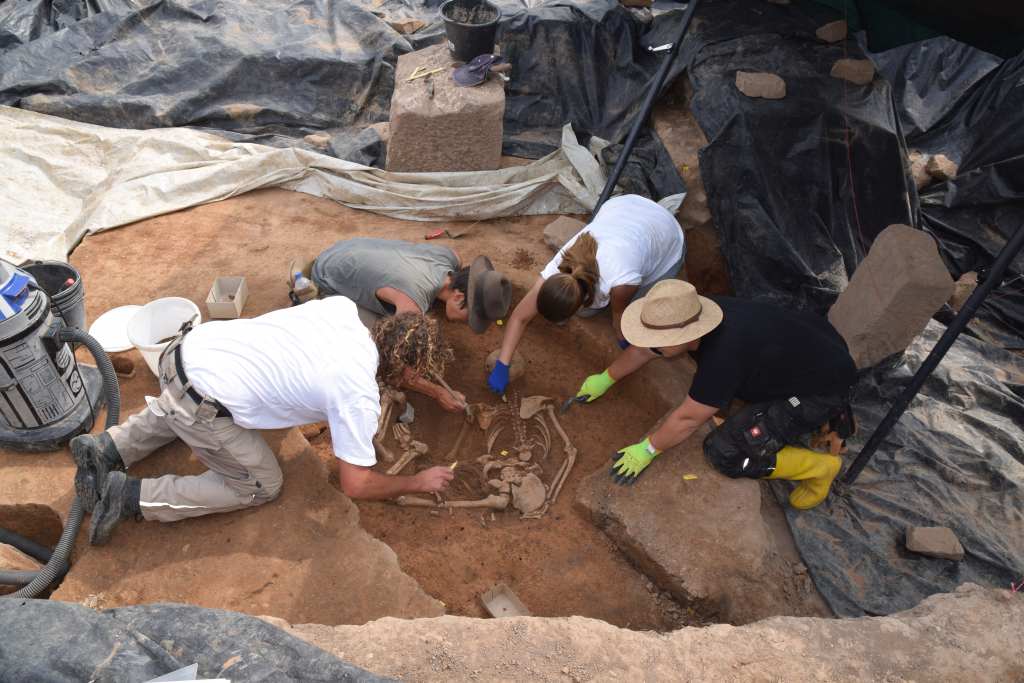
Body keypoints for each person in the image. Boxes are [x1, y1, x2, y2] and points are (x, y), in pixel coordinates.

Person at [70, 298, 457, 545]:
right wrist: (416, 482)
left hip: (183, 352)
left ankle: (107, 447)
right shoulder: (357, 394)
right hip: (200, 400)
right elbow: (355, 484)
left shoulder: (341, 310)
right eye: (415, 375)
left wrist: (433, 390)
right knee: (261, 486)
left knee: (187, 398)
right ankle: (127, 497)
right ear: (406, 368)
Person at [575, 279, 857, 510]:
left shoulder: (722, 358)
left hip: (816, 393)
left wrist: (648, 449)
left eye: (660, 342)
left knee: (725, 452)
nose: (653, 346)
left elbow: (688, 419)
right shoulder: (694, 309)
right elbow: (646, 348)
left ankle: (820, 467)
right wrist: (606, 378)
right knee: (744, 390)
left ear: (687, 336)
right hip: (819, 347)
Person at [487, 194, 685, 394]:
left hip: (665, 233)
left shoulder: (622, 280)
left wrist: (622, 334)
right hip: (622, 210)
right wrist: (503, 363)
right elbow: (520, 317)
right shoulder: (557, 269)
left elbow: (619, 315)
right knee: (587, 312)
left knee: (636, 315)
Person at [304, 238, 511, 411]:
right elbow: (394, 367)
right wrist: (438, 392)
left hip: (350, 246)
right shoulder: (411, 303)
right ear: (457, 297)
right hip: (328, 273)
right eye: (469, 318)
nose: (467, 324)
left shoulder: (450, 257)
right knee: (373, 345)